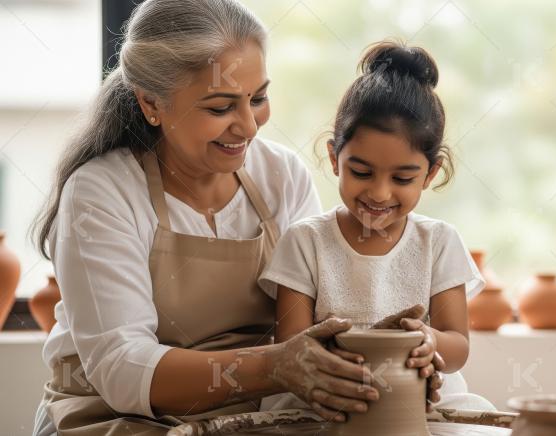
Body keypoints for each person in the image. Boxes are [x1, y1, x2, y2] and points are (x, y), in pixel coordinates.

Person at [30, 2, 440, 435]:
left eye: (258, 98)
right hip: (116, 416)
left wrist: (378, 341)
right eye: (220, 107)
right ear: (152, 103)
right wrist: (274, 365)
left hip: (255, 416)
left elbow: (315, 322)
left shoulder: (281, 176)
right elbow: (122, 372)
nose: (249, 126)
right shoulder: (102, 191)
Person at [261, 40, 495, 412]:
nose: (379, 193)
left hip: (420, 397)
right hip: (327, 395)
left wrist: (429, 341)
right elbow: (292, 345)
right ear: (334, 158)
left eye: (402, 178)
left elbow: (458, 347)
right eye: (361, 172)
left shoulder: (439, 242)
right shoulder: (306, 241)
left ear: (430, 174)